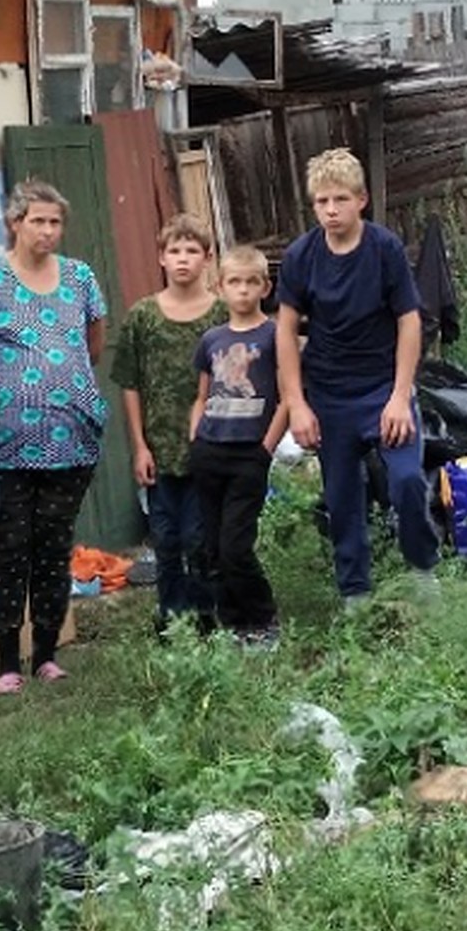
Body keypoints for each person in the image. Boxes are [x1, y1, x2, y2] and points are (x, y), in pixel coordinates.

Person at [0, 180, 108, 694]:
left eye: (55, 222)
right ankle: (6, 662)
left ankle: (45, 654)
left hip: (72, 444)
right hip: (6, 448)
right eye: (38, 220)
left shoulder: (80, 277)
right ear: (15, 223)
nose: (47, 231)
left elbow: (93, 343)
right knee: (9, 550)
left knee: (53, 546)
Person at [274, 147, 440, 610]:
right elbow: (285, 331)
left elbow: (410, 321)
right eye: (322, 202)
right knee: (342, 497)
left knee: (407, 481)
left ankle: (423, 570)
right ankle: (356, 595)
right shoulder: (301, 256)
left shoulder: (384, 248)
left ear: (361, 200)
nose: (331, 210)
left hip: (384, 389)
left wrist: (400, 396)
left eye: (340, 200)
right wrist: (298, 404)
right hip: (329, 393)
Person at [112, 213, 226, 634]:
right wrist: (139, 446)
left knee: (200, 536)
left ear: (207, 258)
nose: (182, 259)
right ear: (161, 257)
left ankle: (205, 615)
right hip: (159, 452)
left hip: (208, 448)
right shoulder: (142, 316)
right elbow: (130, 383)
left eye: (192, 250)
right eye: (174, 250)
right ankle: (170, 617)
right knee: (166, 537)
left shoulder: (221, 314)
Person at [189, 245, 289, 644]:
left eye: (251, 282)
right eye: (235, 282)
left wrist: (265, 447)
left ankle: (264, 620)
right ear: (220, 287)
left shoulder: (274, 335)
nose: (243, 290)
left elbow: (286, 397)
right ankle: (234, 624)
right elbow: (201, 395)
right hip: (210, 451)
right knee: (212, 548)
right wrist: (195, 436)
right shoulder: (212, 338)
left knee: (236, 546)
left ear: (265, 287)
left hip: (250, 454)